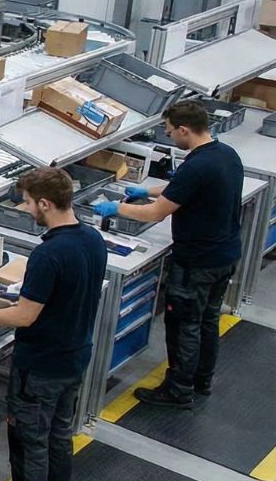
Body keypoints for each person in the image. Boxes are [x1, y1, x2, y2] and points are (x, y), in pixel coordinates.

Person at [0, 166, 106, 481]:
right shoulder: (92, 239)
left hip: (40, 367)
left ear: (45, 204)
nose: (25, 209)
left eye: (27, 202)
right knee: (58, 437)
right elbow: (65, 294)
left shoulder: (48, 254)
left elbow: (24, 317)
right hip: (74, 357)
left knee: (30, 447)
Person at [92, 99, 244, 408]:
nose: (169, 135)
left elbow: (156, 214)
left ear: (185, 130)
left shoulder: (198, 164)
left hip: (196, 262)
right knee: (207, 320)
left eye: (170, 130)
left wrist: (116, 207)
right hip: (224, 255)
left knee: (184, 325)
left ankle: (178, 391)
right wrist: (144, 190)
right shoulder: (224, 154)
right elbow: (183, 187)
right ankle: (201, 379)